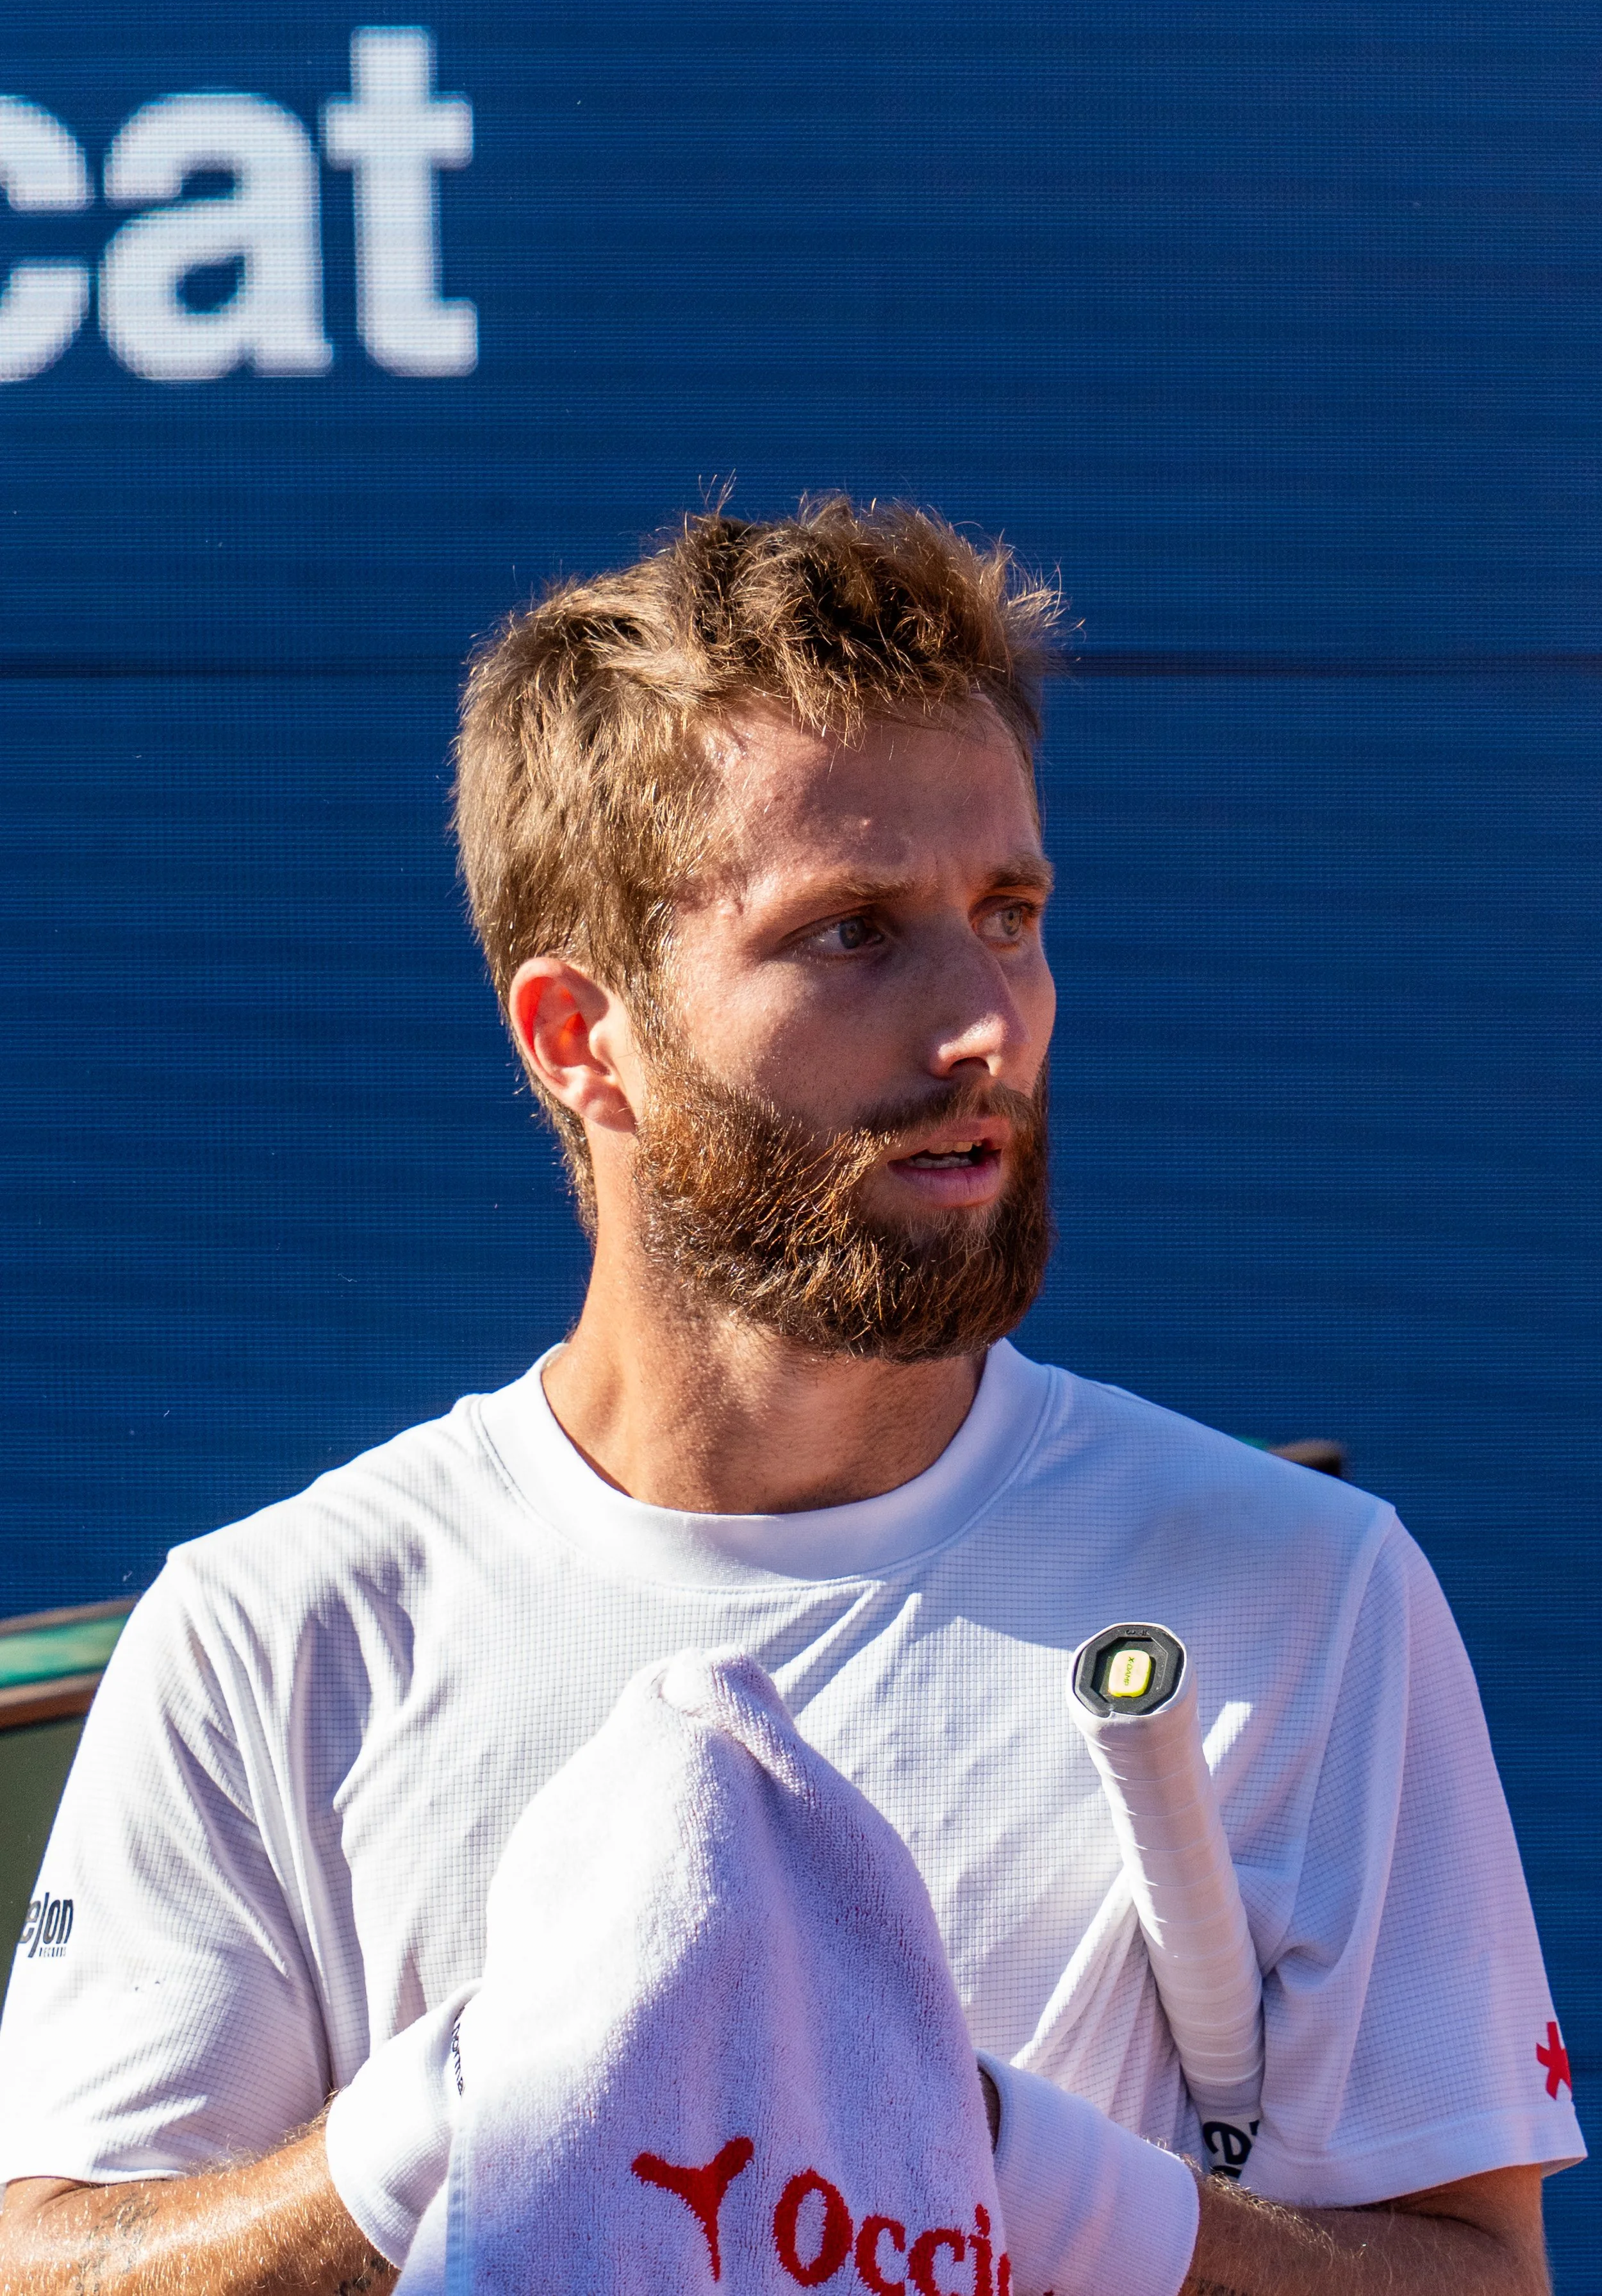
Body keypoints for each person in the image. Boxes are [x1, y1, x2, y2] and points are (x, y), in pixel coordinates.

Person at [0, 500, 1580, 2296]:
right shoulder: (272, 1633)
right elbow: (53, 2265)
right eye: (850, 934)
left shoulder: (1305, 1592)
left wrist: (992, 2156)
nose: (985, 1019)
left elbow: (1473, 2273)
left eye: (1009, 911)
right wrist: (480, 2089)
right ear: (577, 1038)